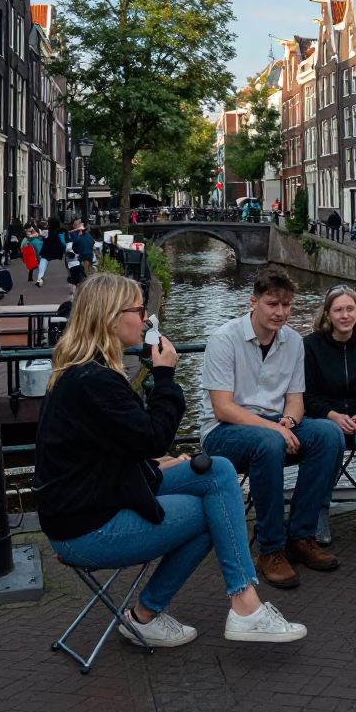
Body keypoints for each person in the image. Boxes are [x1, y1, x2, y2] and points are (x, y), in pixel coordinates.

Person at [33, 273, 306, 647]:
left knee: (219, 470)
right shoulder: (94, 381)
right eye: (138, 310)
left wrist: (158, 463)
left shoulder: (86, 373)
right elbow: (152, 436)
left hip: (104, 496)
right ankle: (224, 606)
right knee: (217, 514)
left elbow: (113, 449)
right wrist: (164, 376)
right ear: (112, 318)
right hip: (87, 528)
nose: (145, 319)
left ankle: (230, 606)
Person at [201, 266, 344, 589]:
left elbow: (296, 400)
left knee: (328, 434)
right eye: (272, 304)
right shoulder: (224, 339)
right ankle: (270, 547)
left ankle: (301, 535)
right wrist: (275, 431)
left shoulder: (293, 342)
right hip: (224, 432)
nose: (281, 313)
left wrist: (289, 422)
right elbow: (223, 408)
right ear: (254, 302)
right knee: (268, 443)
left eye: (287, 305)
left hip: (275, 428)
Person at [304, 285, 356, 544]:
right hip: (325, 419)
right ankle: (320, 511)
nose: (345, 315)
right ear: (328, 314)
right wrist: (332, 415)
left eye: (350, 309)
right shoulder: (311, 347)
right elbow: (306, 394)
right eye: (338, 310)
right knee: (330, 438)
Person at [36, 216, 65, 287]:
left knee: (43, 261)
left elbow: (37, 234)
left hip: (47, 251)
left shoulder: (46, 232)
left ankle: (40, 278)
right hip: (58, 251)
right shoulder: (61, 231)